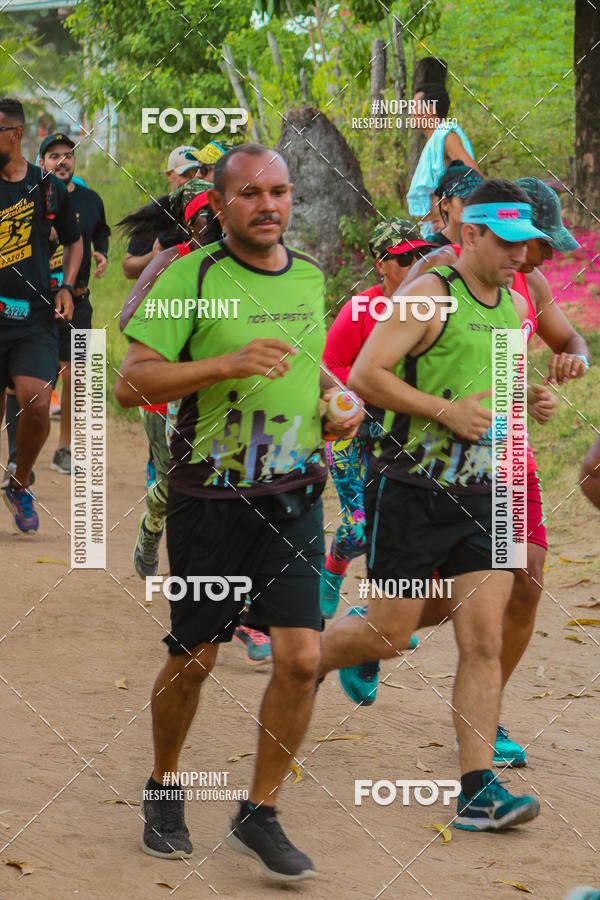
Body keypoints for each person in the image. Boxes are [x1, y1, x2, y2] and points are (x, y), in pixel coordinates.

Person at [115, 143, 363, 879]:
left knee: (301, 657)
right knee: (195, 660)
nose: (269, 205)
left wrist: (331, 404)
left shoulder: (311, 276)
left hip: (291, 498)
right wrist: (224, 363)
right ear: (220, 205)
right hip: (208, 502)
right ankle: (164, 785)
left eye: (280, 192)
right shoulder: (188, 277)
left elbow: (307, 364)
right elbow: (132, 383)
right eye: (250, 194)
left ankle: (261, 811)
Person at [319, 180, 546, 832]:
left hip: (486, 495)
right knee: (388, 633)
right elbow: (365, 376)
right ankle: (310, 657)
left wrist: (527, 399)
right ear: (469, 235)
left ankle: (478, 792)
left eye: (524, 245)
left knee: (482, 640)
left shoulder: (509, 305)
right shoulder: (427, 296)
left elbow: (495, 382)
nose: (519, 256)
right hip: (412, 492)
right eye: (506, 243)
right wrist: (444, 411)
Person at [391, 176, 589, 767]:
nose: (536, 258)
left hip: (510, 455)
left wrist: (565, 365)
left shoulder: (525, 280)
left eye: (543, 248)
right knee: (465, 591)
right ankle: (372, 632)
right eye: (529, 243)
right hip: (440, 462)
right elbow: (398, 368)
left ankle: (487, 720)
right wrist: (447, 411)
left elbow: (569, 340)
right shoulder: (438, 275)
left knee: (524, 579)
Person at [320, 218, 436, 620]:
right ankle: (333, 566)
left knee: (396, 529)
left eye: (422, 255)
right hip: (353, 432)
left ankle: (381, 617)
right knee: (358, 529)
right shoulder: (361, 309)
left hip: (403, 437)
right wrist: (351, 404)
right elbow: (329, 365)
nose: (416, 264)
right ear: (381, 264)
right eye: (405, 259)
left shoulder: (431, 306)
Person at [0, 98, 82, 531]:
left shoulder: (47, 187)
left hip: (34, 317)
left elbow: (74, 239)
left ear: (14, 134)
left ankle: (18, 482)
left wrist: (67, 285)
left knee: (35, 402)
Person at [37, 132, 111, 475]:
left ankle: (64, 448)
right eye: (54, 156)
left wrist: (101, 253)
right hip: (36, 303)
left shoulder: (91, 198)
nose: (62, 161)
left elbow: (102, 230)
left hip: (78, 300)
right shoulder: (28, 198)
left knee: (78, 377)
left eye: (68, 155)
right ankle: (14, 453)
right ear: (42, 163)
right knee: (29, 381)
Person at [407, 83, 481, 236]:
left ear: (431, 109)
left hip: (450, 233)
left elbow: (474, 176)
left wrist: (448, 217)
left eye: (414, 107)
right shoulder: (434, 142)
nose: (410, 112)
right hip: (433, 231)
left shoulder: (446, 135)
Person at [121, 145, 200, 280]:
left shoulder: (211, 212)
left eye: (198, 174)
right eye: (185, 175)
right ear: (169, 175)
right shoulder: (156, 213)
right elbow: (128, 269)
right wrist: (154, 256)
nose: (193, 182)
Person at [428, 159, 483, 246]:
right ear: (445, 204)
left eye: (479, 201)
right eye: (465, 201)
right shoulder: (430, 249)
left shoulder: (488, 244)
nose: (473, 208)